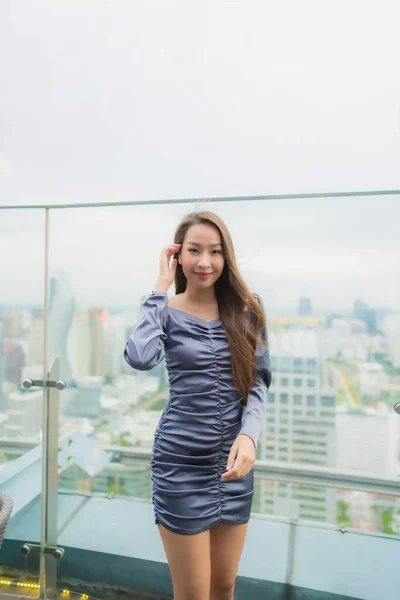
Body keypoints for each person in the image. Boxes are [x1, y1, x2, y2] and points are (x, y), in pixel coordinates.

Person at [124, 211, 271, 600]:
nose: (205, 262)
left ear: (227, 258)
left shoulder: (247, 308)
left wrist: (250, 436)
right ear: (178, 256)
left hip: (233, 466)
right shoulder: (166, 310)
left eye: (215, 252)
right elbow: (140, 357)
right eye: (194, 250)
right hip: (180, 464)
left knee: (223, 587)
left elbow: (258, 381)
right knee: (193, 595)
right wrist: (159, 286)